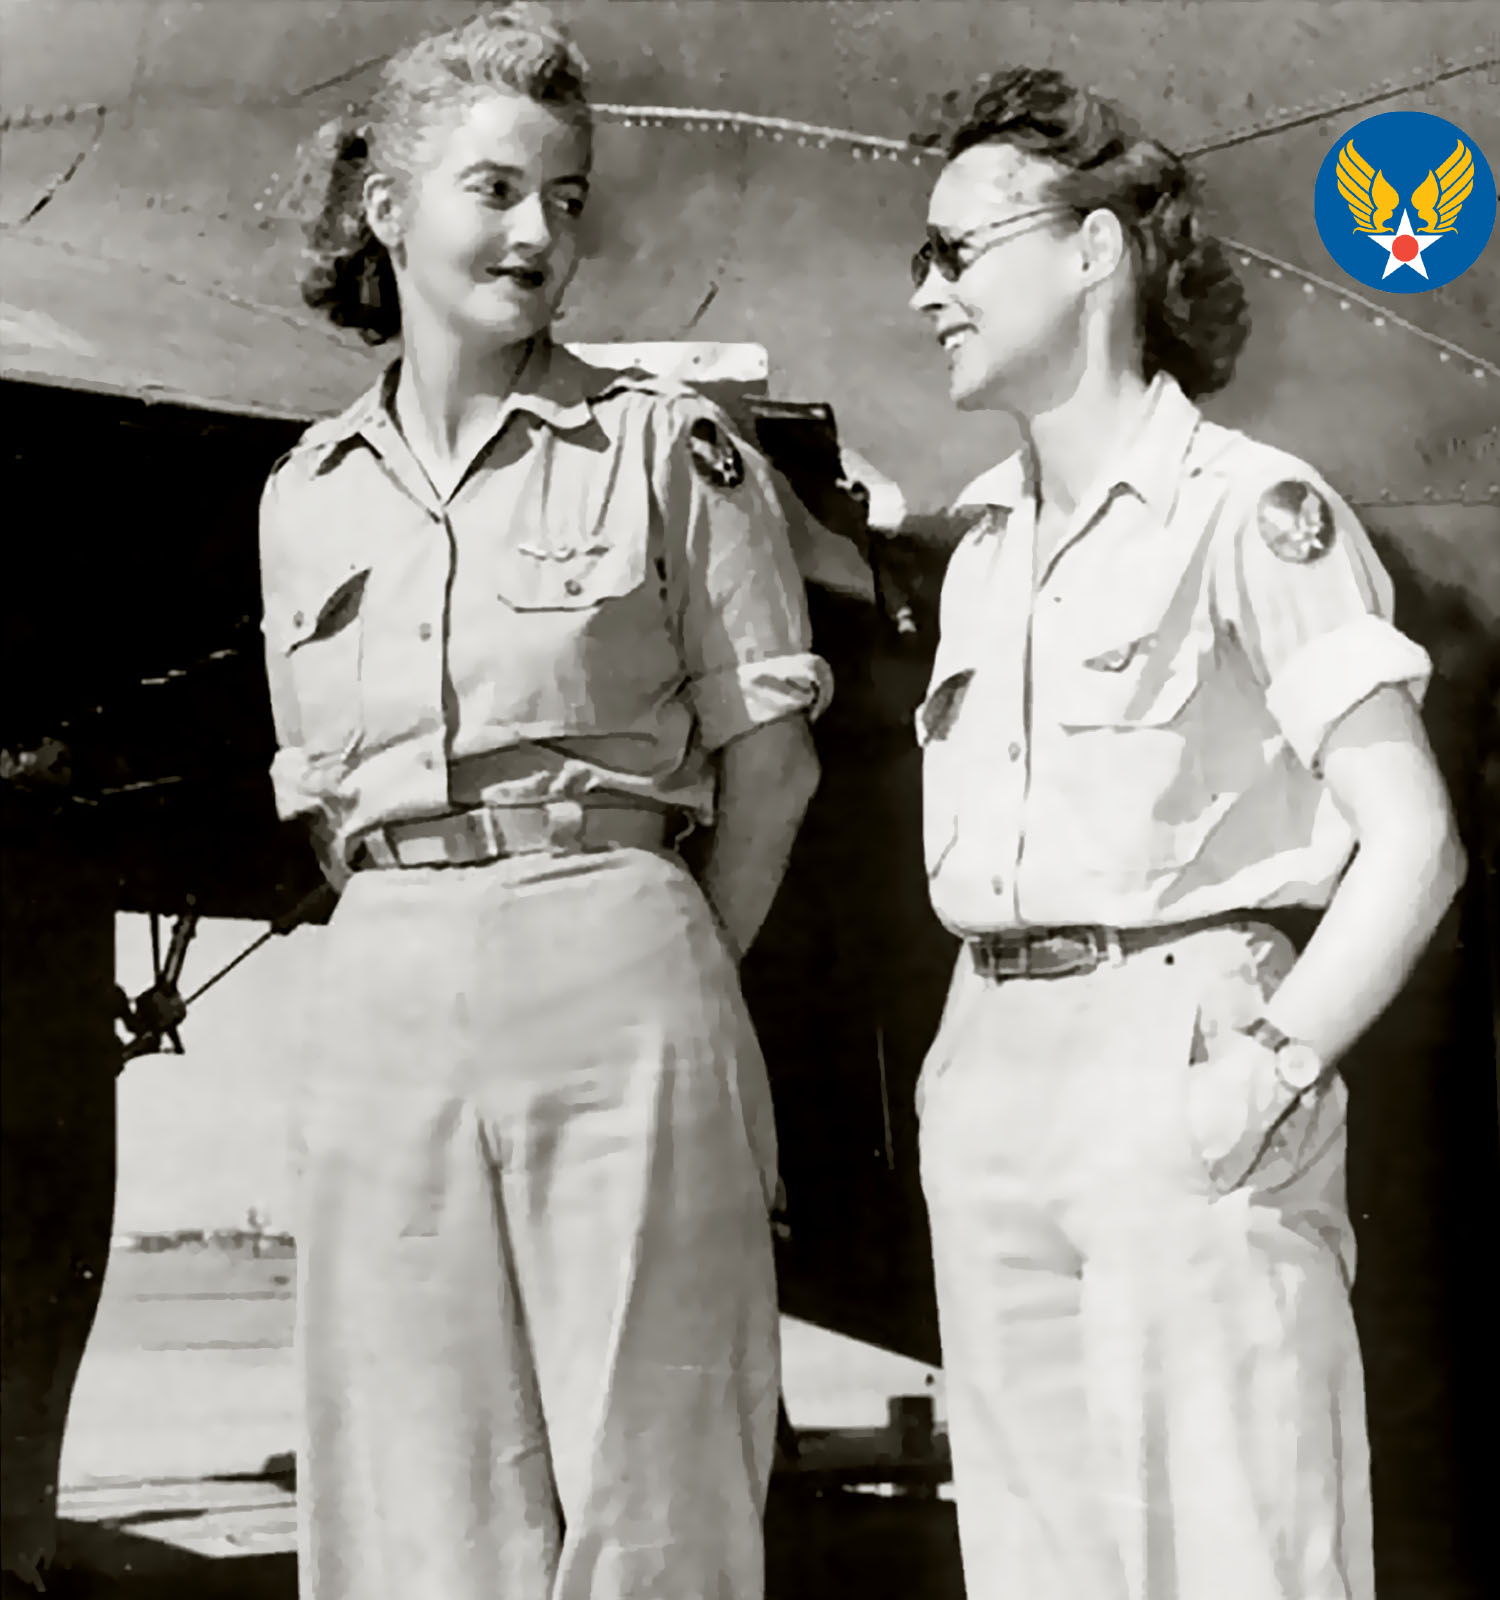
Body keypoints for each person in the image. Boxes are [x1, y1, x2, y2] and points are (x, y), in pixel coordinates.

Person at [261, 7, 828, 1598]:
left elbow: (773, 766)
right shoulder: (301, 497)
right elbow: (327, 802)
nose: (538, 235)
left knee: (655, 1491)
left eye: (566, 200)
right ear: (388, 207)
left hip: (618, 960)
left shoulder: (664, 449)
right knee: (405, 1490)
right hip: (386, 981)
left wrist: (664, 970)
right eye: (498, 190)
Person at [901, 68, 1466, 1600]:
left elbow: (1413, 840)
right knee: (1033, 1569)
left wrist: (1270, 1071)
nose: (927, 293)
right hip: (999, 1077)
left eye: (957, 251)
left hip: (1186, 1071)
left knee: (1238, 1559)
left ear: (1093, 254)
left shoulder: (1249, 511)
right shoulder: (985, 553)